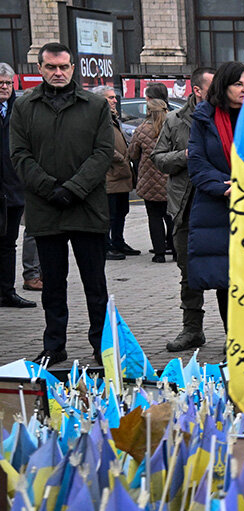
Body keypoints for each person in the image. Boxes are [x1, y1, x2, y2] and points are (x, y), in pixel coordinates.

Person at [10, 42, 115, 365]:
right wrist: (49, 187)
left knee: (95, 285)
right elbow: (19, 155)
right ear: (40, 69)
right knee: (53, 285)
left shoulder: (95, 105)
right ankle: (54, 345)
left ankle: (102, 346)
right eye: (51, 67)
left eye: (64, 67)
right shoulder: (25, 106)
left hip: (86, 208)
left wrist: (73, 188)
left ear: (73, 69)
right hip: (47, 210)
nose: (58, 73)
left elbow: (103, 153)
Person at [152, 66, 214, 352]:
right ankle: (193, 330)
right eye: (212, 88)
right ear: (196, 90)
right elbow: (159, 158)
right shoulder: (176, 121)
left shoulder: (228, 119)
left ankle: (236, 334)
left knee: (227, 274)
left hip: (218, 207)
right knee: (188, 274)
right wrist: (187, 155)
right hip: (185, 208)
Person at [187, 61, 244, 330]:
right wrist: (227, 186)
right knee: (227, 281)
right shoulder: (204, 118)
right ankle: (234, 339)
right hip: (218, 208)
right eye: (238, 83)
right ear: (224, 86)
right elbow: (197, 164)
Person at [0, 62, 34, 309]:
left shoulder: (19, 111)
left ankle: (7, 292)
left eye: (7, 84)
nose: (4, 87)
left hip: (12, 191)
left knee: (8, 243)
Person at [94, 86, 137, 261]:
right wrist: (120, 157)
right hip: (111, 175)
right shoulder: (97, 119)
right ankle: (107, 245)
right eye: (110, 98)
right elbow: (101, 146)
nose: (115, 101)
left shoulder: (113, 118)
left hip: (122, 175)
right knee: (109, 215)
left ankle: (118, 241)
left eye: (114, 97)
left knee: (121, 211)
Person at [128, 98, 173, 263]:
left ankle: (159, 254)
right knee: (171, 217)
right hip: (170, 179)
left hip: (149, 180)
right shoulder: (172, 127)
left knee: (154, 217)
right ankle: (175, 250)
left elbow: (132, 153)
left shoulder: (141, 130)